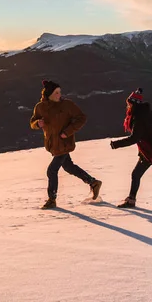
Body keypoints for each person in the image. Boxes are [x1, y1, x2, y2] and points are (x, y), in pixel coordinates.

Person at [30, 80, 102, 209]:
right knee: (68, 167)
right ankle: (93, 182)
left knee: (52, 170)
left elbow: (81, 118)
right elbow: (33, 121)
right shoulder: (40, 107)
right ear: (49, 94)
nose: (59, 95)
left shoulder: (67, 105)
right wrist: (37, 124)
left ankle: (52, 199)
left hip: (64, 143)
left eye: (59, 92)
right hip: (52, 144)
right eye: (56, 92)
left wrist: (67, 132)